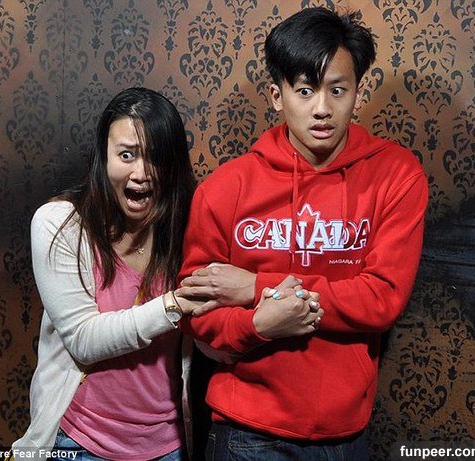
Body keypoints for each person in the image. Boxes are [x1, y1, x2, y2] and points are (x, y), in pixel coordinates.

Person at [10, 87, 316, 461]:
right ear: (103, 157)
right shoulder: (61, 224)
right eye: (126, 155)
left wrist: (259, 319)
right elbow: (83, 340)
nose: (141, 173)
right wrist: (174, 304)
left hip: (167, 445)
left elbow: (206, 340)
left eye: (156, 158)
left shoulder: (187, 228)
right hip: (78, 442)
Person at [177, 6, 429, 460]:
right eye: (306, 90)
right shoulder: (225, 189)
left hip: (346, 433)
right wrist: (257, 326)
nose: (322, 109)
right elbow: (196, 309)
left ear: (358, 92)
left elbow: (382, 297)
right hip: (246, 432)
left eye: (337, 90)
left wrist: (256, 287)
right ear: (278, 96)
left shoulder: (396, 176)